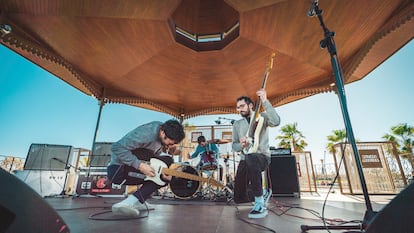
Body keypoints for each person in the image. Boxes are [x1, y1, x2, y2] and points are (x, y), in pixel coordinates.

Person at [107, 119, 185, 217]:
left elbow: (150, 156)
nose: (170, 146)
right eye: (170, 143)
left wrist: (163, 173)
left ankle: (139, 202)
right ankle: (126, 204)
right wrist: (139, 165)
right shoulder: (146, 134)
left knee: (166, 169)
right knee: (162, 172)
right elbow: (116, 147)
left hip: (134, 166)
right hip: (118, 170)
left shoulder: (161, 136)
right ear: (162, 132)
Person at [232, 88, 280, 219]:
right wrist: (240, 145)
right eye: (237, 108)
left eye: (242, 106)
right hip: (245, 158)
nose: (239, 109)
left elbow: (276, 121)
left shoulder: (263, 117)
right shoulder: (237, 124)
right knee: (238, 198)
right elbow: (234, 145)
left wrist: (265, 100)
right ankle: (262, 192)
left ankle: (259, 203)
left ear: (251, 105)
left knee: (251, 157)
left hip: (262, 157)